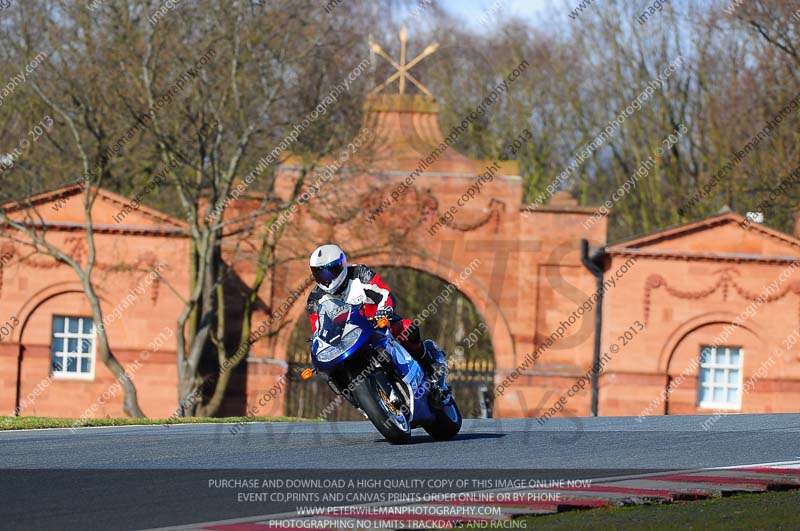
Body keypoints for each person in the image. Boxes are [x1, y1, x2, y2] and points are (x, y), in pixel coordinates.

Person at [306, 243, 448, 399]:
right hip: (347, 341)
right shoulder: (315, 299)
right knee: (330, 372)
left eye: (330, 271)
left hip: (377, 324)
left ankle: (430, 364)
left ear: (341, 265)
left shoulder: (360, 274)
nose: (327, 278)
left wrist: (384, 310)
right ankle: (358, 401)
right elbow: (318, 330)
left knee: (406, 328)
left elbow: (384, 294)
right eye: (320, 274)